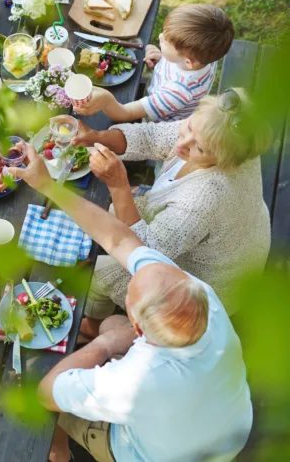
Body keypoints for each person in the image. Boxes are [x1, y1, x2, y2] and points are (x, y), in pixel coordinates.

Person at [5, 146, 253, 462]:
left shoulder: (135, 382)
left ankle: (59, 454)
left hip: (147, 452)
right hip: (227, 427)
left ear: (138, 327)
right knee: (109, 324)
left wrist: (107, 345)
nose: (143, 266)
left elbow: (49, 390)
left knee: (37, 384)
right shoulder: (200, 295)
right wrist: (47, 186)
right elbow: (121, 241)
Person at [72, 89, 271, 331]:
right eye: (188, 128)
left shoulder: (205, 198)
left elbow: (145, 253)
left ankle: (93, 326)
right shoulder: (226, 136)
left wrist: (118, 185)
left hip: (208, 285)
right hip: (229, 236)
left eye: (198, 148)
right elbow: (152, 136)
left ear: (223, 159)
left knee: (97, 275)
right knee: (101, 216)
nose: (181, 144)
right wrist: (97, 136)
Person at [76, 4, 234, 123]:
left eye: (165, 42)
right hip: (161, 91)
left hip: (159, 120)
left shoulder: (177, 93)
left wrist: (107, 99)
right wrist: (163, 58)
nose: (159, 37)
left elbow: (126, 114)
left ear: (188, 62)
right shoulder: (205, 56)